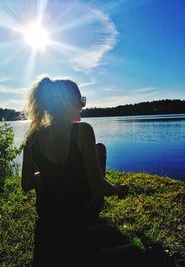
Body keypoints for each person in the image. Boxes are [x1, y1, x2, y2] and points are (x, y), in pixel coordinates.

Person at [21, 74, 129, 266]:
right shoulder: (83, 130)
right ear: (65, 103)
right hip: (83, 210)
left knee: (97, 149)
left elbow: (26, 185)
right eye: (80, 100)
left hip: (49, 214)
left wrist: (44, 174)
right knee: (100, 150)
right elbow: (96, 187)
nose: (82, 105)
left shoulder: (32, 139)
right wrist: (118, 189)